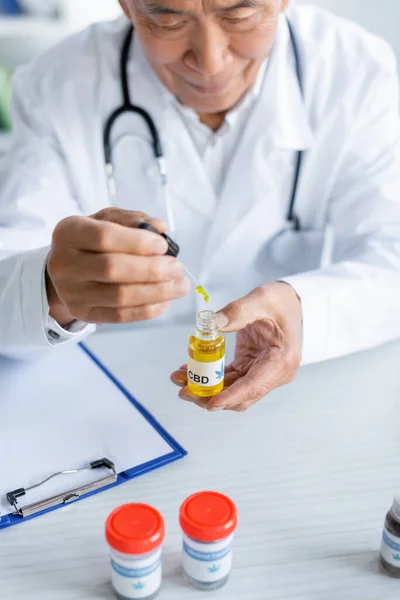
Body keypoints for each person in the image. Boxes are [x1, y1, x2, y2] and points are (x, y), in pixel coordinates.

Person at [1, 0, 400, 412]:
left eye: (239, 15)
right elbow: (7, 273)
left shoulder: (355, 72)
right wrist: (51, 288)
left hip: (300, 404)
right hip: (106, 398)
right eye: (168, 19)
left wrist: (304, 307)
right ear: (126, 5)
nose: (210, 62)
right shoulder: (55, 85)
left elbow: (392, 257)